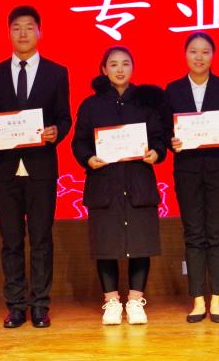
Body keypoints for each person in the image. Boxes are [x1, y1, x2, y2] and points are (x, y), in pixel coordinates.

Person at [0, 6, 72, 329]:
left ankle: (40, 305)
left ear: (39, 32)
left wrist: (57, 132)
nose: (22, 33)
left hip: (41, 167)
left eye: (29, 27)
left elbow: (64, 117)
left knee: (41, 239)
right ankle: (16, 305)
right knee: (11, 240)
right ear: (9, 33)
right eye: (16, 27)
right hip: (5, 169)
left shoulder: (56, 72)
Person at [71, 46, 166, 325]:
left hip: (138, 182)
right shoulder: (91, 105)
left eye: (125, 63)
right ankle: (111, 302)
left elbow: (159, 137)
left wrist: (156, 153)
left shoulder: (147, 103)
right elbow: (79, 142)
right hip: (105, 183)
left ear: (133, 68)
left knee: (140, 242)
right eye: (113, 64)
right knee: (106, 243)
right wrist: (88, 159)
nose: (120, 69)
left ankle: (135, 301)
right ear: (104, 69)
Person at [164, 32, 219, 323]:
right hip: (187, 171)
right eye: (193, 51)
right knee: (194, 233)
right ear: (185, 55)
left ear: (213, 56)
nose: (199, 57)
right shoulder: (173, 90)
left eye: (205, 51)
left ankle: (217, 298)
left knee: (217, 233)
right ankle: (198, 299)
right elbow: (164, 131)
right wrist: (171, 141)